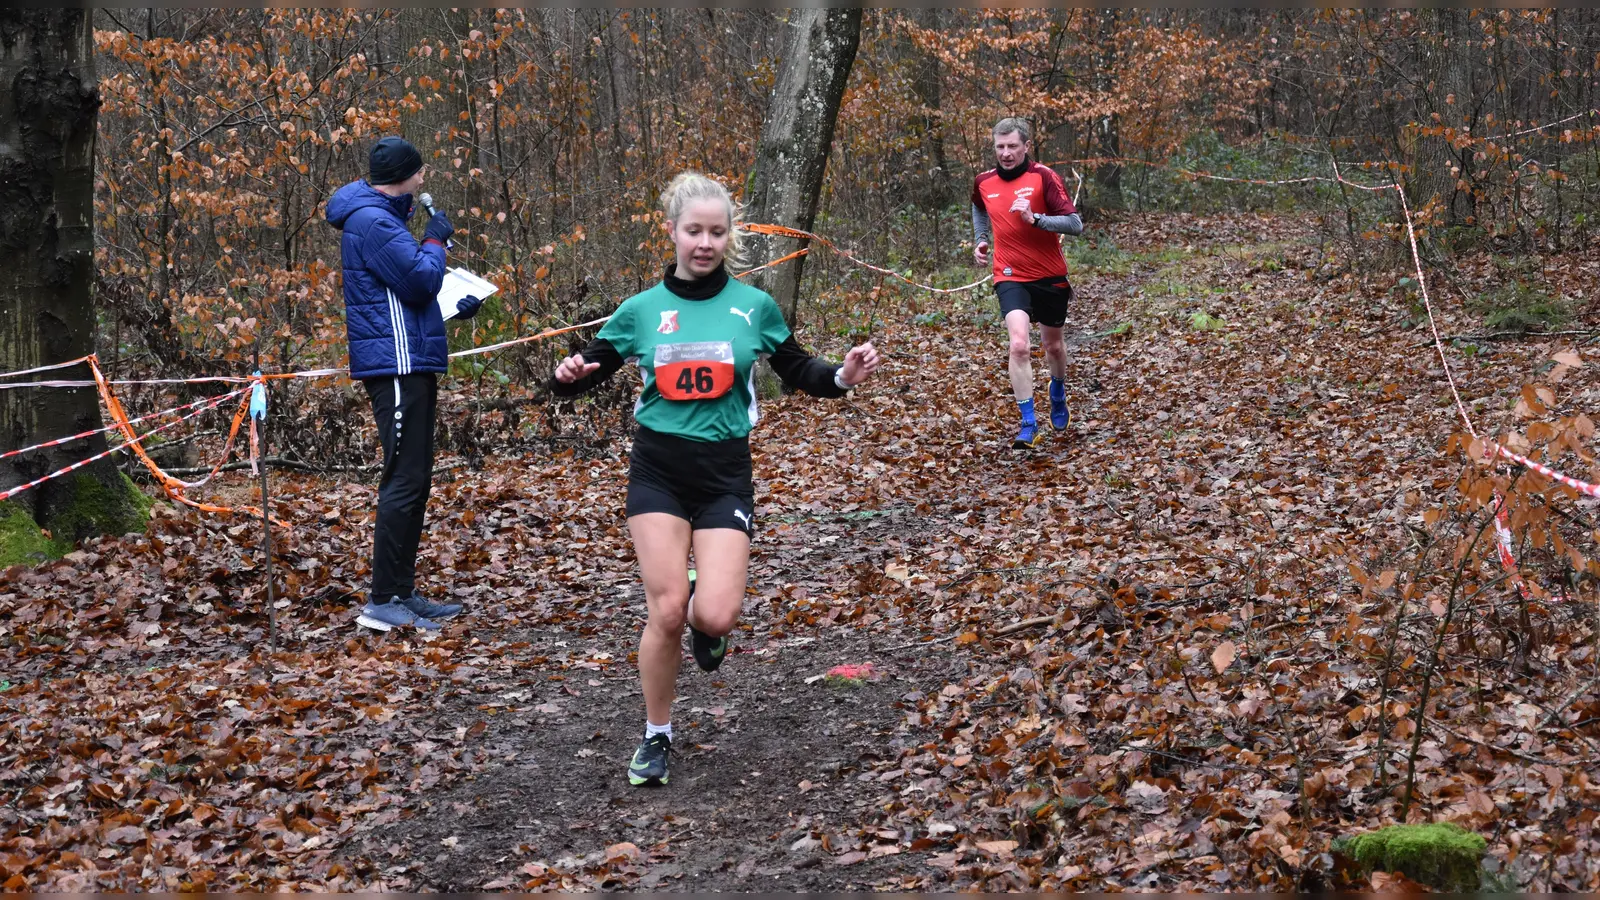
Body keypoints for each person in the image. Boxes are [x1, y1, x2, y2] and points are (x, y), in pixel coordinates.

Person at [551, 172, 882, 787]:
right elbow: (591, 363)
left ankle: (708, 616)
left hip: (725, 472)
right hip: (658, 469)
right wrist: (570, 373)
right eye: (694, 230)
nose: (705, 242)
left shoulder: (753, 307)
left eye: (717, 231)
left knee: (716, 617)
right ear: (672, 231)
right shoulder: (642, 310)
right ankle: (656, 735)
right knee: (668, 609)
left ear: (730, 236)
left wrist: (842, 374)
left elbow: (798, 368)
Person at [327, 136, 484, 632]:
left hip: (408, 358)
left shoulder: (383, 218)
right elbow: (419, 280)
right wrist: (435, 239)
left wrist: (454, 306)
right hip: (394, 367)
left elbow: (402, 300)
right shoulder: (372, 221)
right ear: (403, 175)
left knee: (415, 480)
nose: (423, 180)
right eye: (418, 173)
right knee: (402, 479)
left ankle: (401, 591)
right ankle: (381, 601)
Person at [971, 117, 1084, 449]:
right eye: (1000, 147)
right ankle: (1028, 423)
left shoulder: (1043, 177)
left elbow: (1075, 224)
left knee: (1053, 347)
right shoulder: (983, 181)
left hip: (1049, 275)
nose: (1005, 154)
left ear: (1026, 147)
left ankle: (1058, 390)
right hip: (1009, 274)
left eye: (1012, 147)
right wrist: (979, 240)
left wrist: (1035, 219)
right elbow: (978, 208)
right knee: (1019, 345)